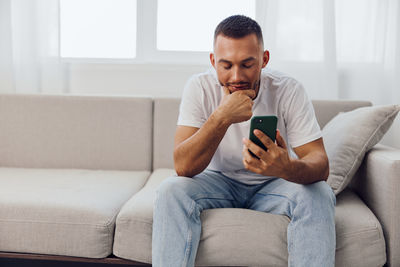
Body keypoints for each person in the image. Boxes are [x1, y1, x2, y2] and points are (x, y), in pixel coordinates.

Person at [152, 15, 336, 267]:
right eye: (226, 66)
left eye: (247, 64)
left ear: (264, 59)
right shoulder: (199, 87)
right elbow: (183, 167)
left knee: (320, 193)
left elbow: (320, 164)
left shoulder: (289, 90)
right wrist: (222, 117)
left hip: (274, 184)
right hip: (217, 182)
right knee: (169, 190)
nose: (236, 76)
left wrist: (287, 167)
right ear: (213, 61)